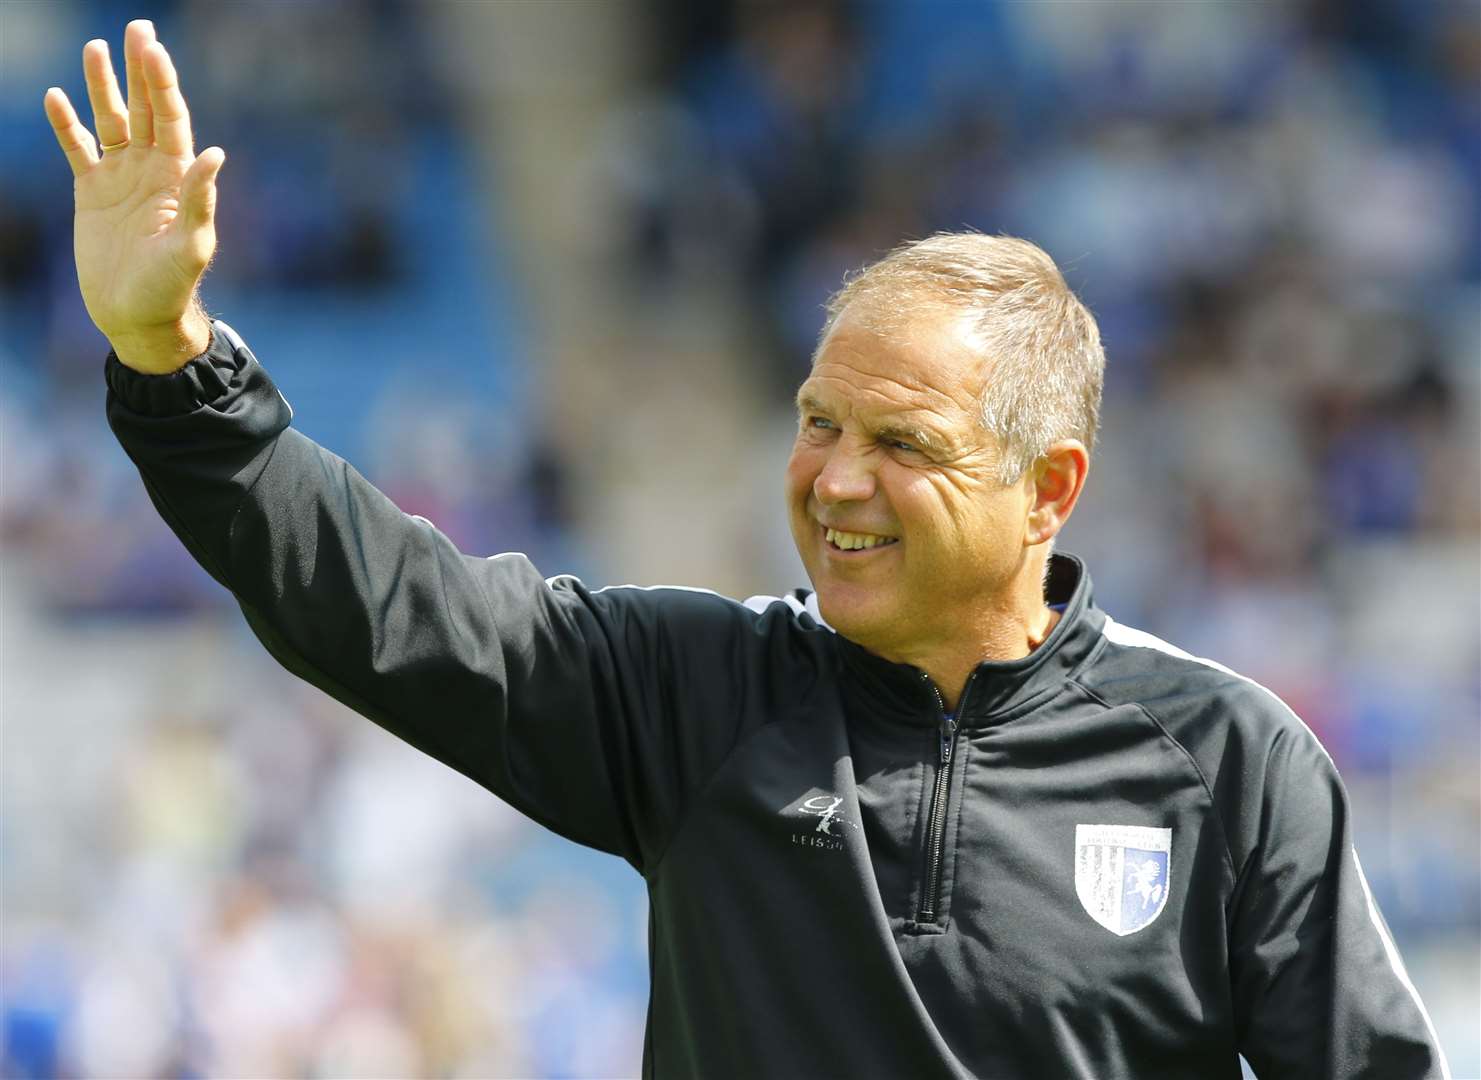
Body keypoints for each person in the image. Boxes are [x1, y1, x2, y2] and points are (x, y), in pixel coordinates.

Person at [45, 21, 1451, 1080]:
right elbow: (372, 601)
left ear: (1048, 489)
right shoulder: (694, 691)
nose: (834, 479)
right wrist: (170, 360)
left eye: (899, 445)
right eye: (816, 422)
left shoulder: (1227, 762)